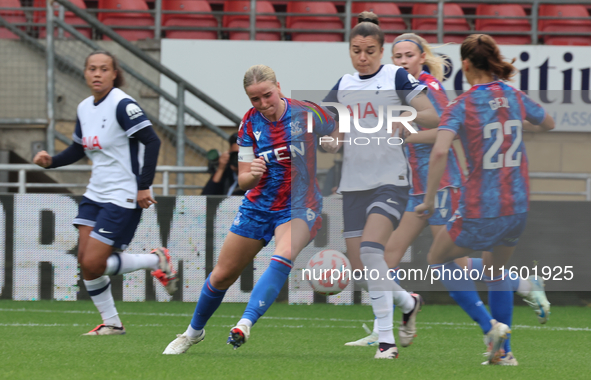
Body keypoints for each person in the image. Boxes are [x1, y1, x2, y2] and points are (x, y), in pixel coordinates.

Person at [345, 33, 550, 347]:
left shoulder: (431, 88)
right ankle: (386, 323)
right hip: (415, 186)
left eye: (408, 56)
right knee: (387, 258)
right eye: (397, 57)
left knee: (455, 265)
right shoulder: (398, 90)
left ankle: (501, 316)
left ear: (422, 57)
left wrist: (406, 136)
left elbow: (446, 134)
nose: (402, 62)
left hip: (443, 184)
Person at [162, 64, 337, 354]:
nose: (263, 104)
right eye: (255, 99)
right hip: (258, 206)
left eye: (267, 95)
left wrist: (332, 142)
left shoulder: (305, 112)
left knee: (283, 254)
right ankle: (192, 333)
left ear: (279, 87)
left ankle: (245, 323)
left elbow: (334, 128)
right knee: (221, 276)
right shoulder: (248, 125)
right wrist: (252, 174)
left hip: (299, 205)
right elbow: (243, 179)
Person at [414, 34, 555, 365]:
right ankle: (504, 353)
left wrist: (430, 200)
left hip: (482, 205)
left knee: (438, 259)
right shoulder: (512, 94)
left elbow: (439, 152)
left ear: (465, 64)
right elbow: (547, 123)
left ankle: (489, 326)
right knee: (495, 271)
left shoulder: (461, 105)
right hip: (517, 203)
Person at [33, 50, 178, 335]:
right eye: (91, 68)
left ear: (114, 74)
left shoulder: (123, 104)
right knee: (87, 264)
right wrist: (52, 161)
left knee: (93, 263)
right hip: (95, 193)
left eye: (103, 69)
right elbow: (78, 148)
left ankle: (155, 259)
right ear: (85, 73)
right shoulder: (85, 106)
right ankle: (111, 323)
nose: (97, 74)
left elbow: (152, 141)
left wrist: (143, 185)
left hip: (123, 194)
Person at [322, 12, 440, 359]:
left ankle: (386, 342)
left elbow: (432, 115)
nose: (363, 57)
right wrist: (331, 142)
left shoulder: (396, 76)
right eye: (357, 50)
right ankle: (408, 301)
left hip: (391, 180)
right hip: (354, 184)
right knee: (362, 269)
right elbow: (336, 129)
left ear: (380, 49)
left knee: (373, 252)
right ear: (349, 50)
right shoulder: (343, 85)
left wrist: (407, 120)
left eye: (370, 50)